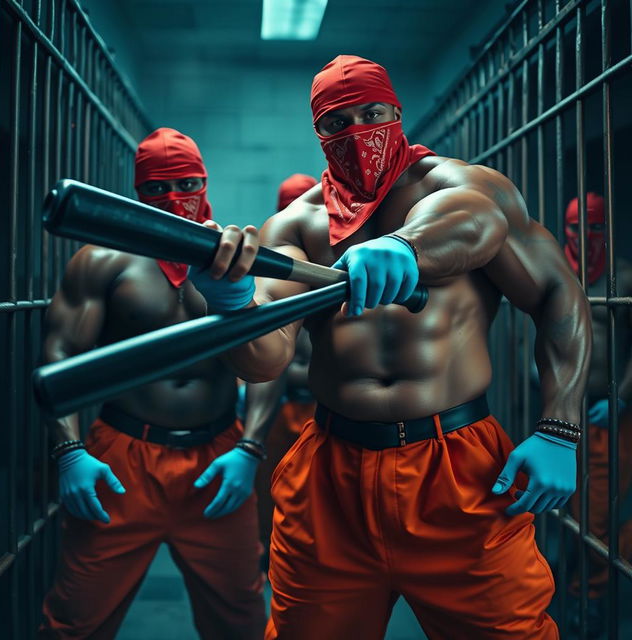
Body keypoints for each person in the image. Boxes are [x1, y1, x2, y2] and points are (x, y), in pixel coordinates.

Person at [190, 55, 592, 639]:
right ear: (318, 133)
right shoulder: (298, 226)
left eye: (371, 114)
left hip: (455, 468)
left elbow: (536, 275)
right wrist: (231, 305)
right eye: (336, 123)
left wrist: (560, 429)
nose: (356, 133)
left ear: (397, 112)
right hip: (331, 474)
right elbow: (267, 359)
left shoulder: (463, 186)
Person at [39, 128, 266, 639]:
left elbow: (267, 354)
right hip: (123, 457)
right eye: (158, 189)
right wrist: (70, 450)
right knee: (74, 620)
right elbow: (60, 353)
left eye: (187, 183)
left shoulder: (237, 262)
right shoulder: (103, 260)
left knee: (242, 618)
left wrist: (250, 448)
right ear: (138, 193)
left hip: (217, 454)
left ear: (205, 180)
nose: (174, 198)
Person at [563, 193, 632, 637]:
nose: (587, 237)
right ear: (564, 229)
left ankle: (592, 600)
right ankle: (578, 593)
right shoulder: (553, 270)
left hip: (609, 413)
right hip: (560, 411)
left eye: (596, 227)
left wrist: (623, 396)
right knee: (567, 509)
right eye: (577, 227)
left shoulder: (623, 277)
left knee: (598, 513)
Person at [244, 173, 318, 560]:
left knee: (318, 500)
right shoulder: (275, 269)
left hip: (321, 409)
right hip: (284, 404)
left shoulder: (334, 268)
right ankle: (268, 556)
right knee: (271, 491)